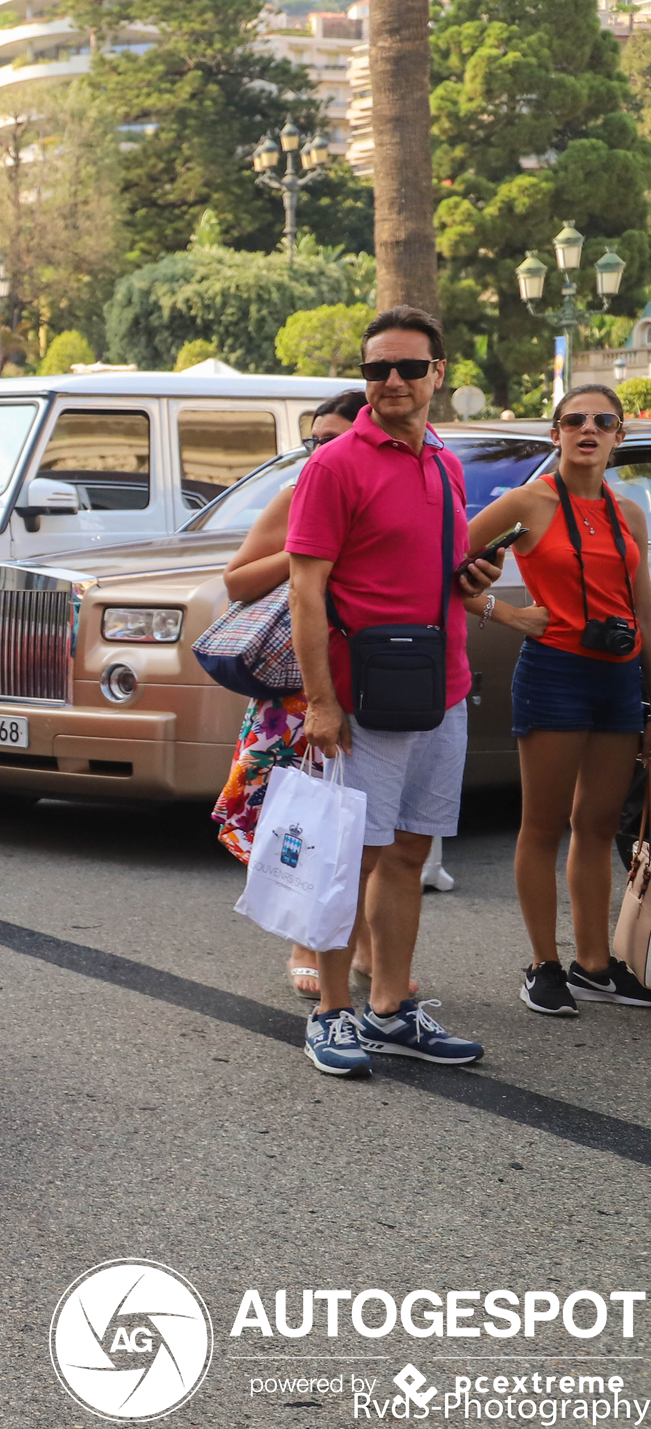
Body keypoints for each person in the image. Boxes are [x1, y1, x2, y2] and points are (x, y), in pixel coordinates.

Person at [286, 305, 502, 1077]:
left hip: (440, 687)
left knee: (410, 851)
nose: (393, 382)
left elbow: (434, 567)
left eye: (410, 368)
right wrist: (320, 700)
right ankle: (332, 1012)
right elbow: (304, 592)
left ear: (438, 374)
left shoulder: (443, 459)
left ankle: (388, 1010)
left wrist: (478, 578)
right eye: (378, 369)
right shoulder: (334, 464)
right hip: (362, 698)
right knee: (355, 856)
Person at [465, 382, 651, 1016]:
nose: (589, 430)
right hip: (555, 672)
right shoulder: (528, 502)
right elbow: (442, 565)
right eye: (575, 421)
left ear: (619, 435)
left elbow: (641, 608)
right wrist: (506, 613)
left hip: (619, 676)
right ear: (557, 434)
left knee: (598, 825)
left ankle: (594, 966)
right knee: (543, 826)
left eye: (603, 421)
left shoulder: (630, 515)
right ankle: (543, 964)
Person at [215, 391, 373, 1002]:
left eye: (335, 439)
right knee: (310, 818)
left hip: (378, 682)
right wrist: (307, 547)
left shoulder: (385, 494)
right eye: (315, 440)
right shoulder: (295, 497)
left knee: (371, 828)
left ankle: (363, 948)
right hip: (299, 691)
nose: (322, 452)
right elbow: (236, 581)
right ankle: (305, 942)